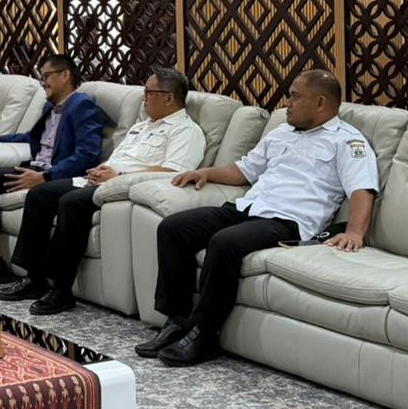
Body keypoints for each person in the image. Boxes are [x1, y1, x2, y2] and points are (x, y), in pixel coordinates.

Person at [139, 69, 378, 367]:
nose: (287, 103)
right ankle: (177, 320)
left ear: (320, 102)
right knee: (174, 227)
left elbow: (362, 189)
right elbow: (244, 170)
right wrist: (206, 172)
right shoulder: (281, 133)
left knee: (224, 243)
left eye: (295, 97)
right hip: (248, 208)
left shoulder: (347, 141)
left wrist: (355, 232)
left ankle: (205, 332)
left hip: (289, 222)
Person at [0, 67, 206, 314]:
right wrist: (100, 170)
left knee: (71, 202)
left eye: (149, 93)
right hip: (101, 179)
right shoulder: (142, 126)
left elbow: (173, 171)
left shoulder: (185, 130)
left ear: (168, 97)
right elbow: (118, 158)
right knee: (40, 194)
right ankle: (34, 278)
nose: (144, 98)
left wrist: (119, 176)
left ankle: (61, 290)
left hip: (124, 187)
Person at [0, 53, 104, 285]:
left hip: (53, 174)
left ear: (65, 75)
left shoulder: (82, 106)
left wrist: (45, 176)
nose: (43, 83)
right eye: (41, 77)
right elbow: (33, 137)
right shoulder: (49, 107)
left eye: (47, 76)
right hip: (34, 167)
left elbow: (87, 154)